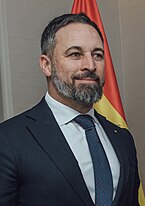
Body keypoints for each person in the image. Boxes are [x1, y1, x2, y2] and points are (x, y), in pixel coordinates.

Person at [0, 13, 140, 206]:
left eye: (97, 55)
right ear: (46, 65)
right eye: (75, 54)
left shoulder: (122, 138)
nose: (90, 65)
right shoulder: (8, 139)